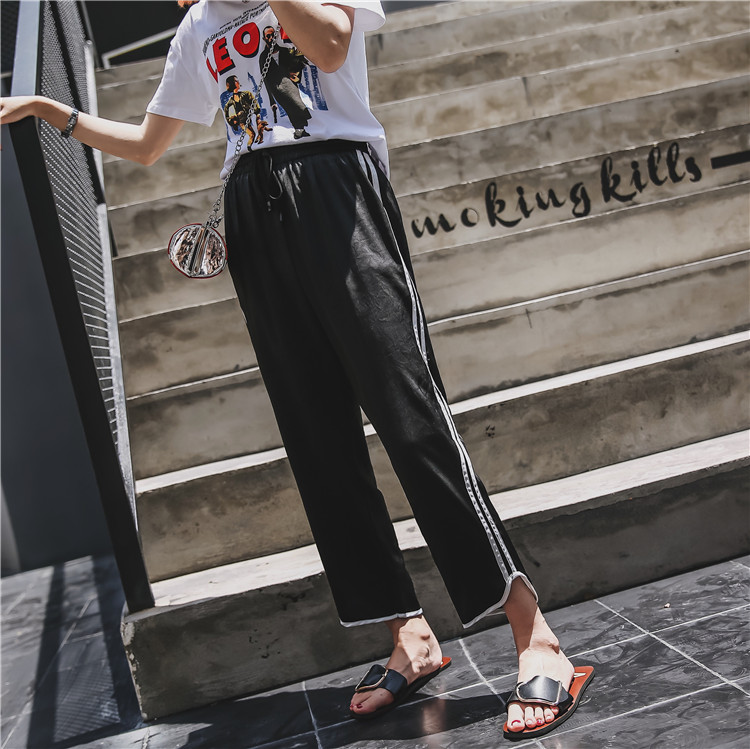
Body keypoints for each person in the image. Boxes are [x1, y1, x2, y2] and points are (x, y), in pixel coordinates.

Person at [0, 0, 594, 740]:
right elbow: (149, 144)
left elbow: (333, 44)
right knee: (318, 440)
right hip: (253, 214)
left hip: (338, 190)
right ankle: (407, 633)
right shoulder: (197, 27)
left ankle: (536, 635)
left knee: (411, 415)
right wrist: (52, 111)